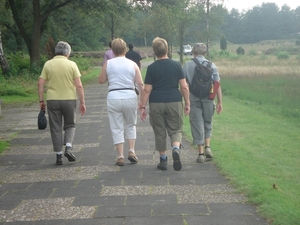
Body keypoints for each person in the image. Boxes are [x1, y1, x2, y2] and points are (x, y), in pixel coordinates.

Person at [139, 37, 190, 171]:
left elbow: (147, 89)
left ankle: (163, 160)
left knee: (159, 131)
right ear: (167, 49)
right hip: (174, 100)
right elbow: (184, 87)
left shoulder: (151, 68)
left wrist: (142, 106)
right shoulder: (177, 65)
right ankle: (175, 149)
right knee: (176, 128)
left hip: (156, 102)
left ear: (154, 51)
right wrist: (187, 103)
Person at [38, 41, 86, 165]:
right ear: (67, 53)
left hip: (52, 100)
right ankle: (68, 147)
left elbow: (40, 83)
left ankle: (58, 155)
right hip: (69, 99)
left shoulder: (48, 64)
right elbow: (79, 86)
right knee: (70, 124)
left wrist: (41, 100)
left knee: (56, 127)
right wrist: (82, 102)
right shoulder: (72, 65)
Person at [98, 38, 144, 166]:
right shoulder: (132, 64)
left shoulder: (108, 63)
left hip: (114, 96)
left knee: (117, 127)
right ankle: (132, 150)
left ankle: (120, 155)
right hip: (130, 95)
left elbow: (101, 80)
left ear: (112, 50)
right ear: (125, 49)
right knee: (131, 124)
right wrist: (142, 101)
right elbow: (140, 83)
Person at [183, 43, 223, 163]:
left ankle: (200, 154)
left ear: (193, 52)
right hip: (208, 99)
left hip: (193, 98)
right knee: (207, 122)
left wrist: (185, 102)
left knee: (197, 124)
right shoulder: (212, 65)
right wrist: (220, 101)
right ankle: (208, 147)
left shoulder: (188, 65)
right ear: (205, 53)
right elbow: (217, 85)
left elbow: (184, 85)